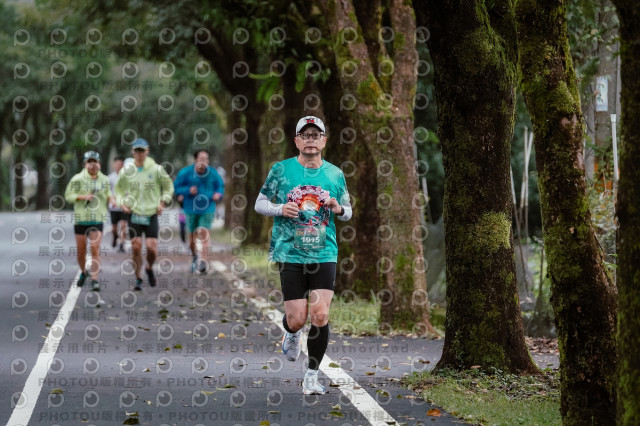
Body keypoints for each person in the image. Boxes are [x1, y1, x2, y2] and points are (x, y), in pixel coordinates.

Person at [254, 116, 352, 395]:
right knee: (298, 318)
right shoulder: (280, 170)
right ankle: (292, 331)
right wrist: (279, 209)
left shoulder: (335, 174)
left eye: (315, 134)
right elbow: (259, 203)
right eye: (304, 135)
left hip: (324, 252)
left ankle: (311, 375)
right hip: (290, 251)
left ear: (324, 140)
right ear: (296, 141)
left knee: (320, 315)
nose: (310, 139)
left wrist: (338, 209)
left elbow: (349, 211)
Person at [115, 138, 174, 291]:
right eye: (137, 151)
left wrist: (163, 201)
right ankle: (138, 278)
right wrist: (122, 202)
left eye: (142, 151)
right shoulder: (126, 170)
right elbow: (119, 189)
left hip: (151, 213)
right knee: (136, 247)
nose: (139, 154)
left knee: (152, 247)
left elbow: (168, 187)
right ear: (132, 152)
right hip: (133, 212)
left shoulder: (156, 169)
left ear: (147, 151)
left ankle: (148, 267)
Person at [64, 151, 114, 291]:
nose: (93, 165)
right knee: (81, 252)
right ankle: (84, 273)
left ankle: (95, 279)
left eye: (95, 162)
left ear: (100, 164)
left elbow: (108, 194)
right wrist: (82, 197)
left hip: (97, 219)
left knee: (94, 248)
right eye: (89, 162)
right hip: (81, 220)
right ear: (85, 164)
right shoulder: (77, 179)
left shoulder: (104, 180)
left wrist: (113, 200)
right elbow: (68, 196)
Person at [174, 150, 225, 274]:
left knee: (204, 232)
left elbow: (220, 186)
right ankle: (195, 256)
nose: (204, 161)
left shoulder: (213, 173)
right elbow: (176, 188)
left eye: (206, 159)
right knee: (191, 237)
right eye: (201, 158)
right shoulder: (185, 173)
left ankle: (203, 261)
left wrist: (218, 194)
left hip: (208, 207)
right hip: (190, 208)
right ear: (196, 160)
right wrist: (187, 190)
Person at [108, 157, 127, 252]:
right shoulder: (110, 178)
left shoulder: (127, 177)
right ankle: (115, 236)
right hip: (114, 207)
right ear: (114, 165)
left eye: (121, 165)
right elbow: (107, 192)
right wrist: (111, 200)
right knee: (114, 228)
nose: (118, 166)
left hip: (124, 206)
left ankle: (122, 244)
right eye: (117, 164)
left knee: (123, 226)